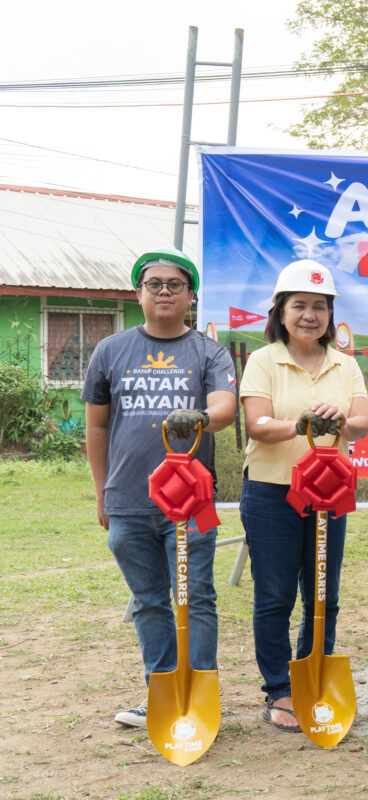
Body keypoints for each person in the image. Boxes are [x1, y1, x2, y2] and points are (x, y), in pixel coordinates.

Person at [83, 245, 237, 728]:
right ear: (139, 293)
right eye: (155, 284)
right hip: (128, 501)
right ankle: (161, 694)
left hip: (190, 504)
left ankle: (199, 694)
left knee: (197, 598)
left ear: (190, 295)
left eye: (175, 284)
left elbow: (225, 409)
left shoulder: (208, 352)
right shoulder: (110, 351)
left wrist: (203, 418)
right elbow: (98, 427)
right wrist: (102, 490)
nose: (165, 291)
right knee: (149, 601)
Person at [238, 259, 368, 732]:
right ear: (280, 310)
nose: (309, 315)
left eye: (320, 306)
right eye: (299, 306)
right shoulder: (262, 360)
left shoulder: (346, 364)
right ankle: (279, 688)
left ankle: (313, 674)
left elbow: (360, 422)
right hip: (272, 494)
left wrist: (339, 419)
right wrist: (299, 424)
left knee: (323, 595)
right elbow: (257, 425)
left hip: (328, 494)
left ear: (331, 314)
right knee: (274, 595)